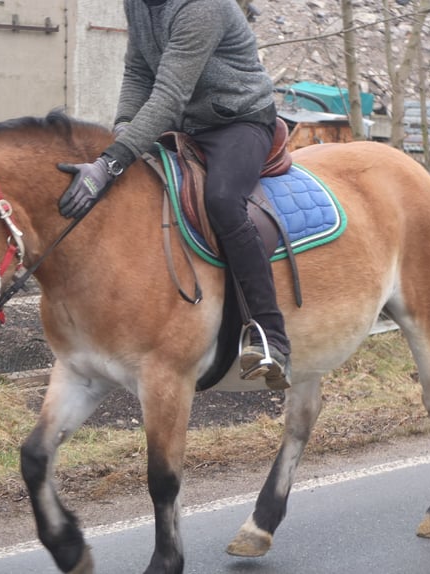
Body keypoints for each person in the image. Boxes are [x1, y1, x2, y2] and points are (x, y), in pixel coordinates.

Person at [57, 0, 291, 390]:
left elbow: (169, 93)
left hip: (239, 120)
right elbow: (137, 72)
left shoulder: (201, 8)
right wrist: (122, 131)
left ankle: (271, 337)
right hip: (187, 125)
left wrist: (110, 162)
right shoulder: (138, 4)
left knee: (222, 201)